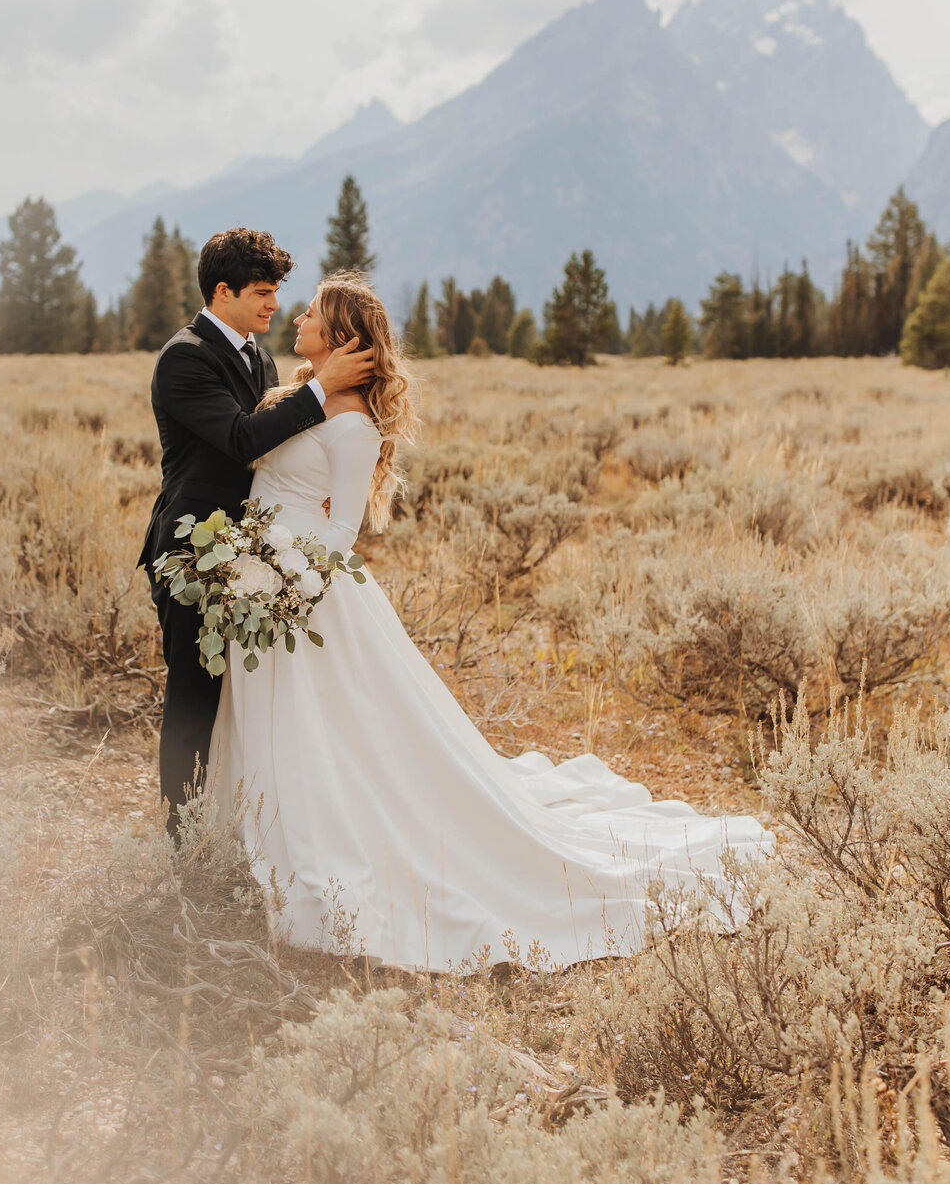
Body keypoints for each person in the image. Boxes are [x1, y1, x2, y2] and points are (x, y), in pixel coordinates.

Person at [210, 272, 773, 972]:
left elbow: (344, 532)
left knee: (325, 734)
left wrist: (285, 581)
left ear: (341, 336)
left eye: (313, 312)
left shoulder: (350, 422)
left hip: (301, 596)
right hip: (261, 582)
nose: (297, 316)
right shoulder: (303, 396)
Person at [138, 228, 374, 829]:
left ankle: (251, 827)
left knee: (248, 704)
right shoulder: (185, 357)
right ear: (224, 291)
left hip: (257, 559)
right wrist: (323, 388)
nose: (274, 305)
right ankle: (182, 843)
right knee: (195, 701)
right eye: (263, 292)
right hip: (193, 551)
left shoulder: (261, 356)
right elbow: (241, 439)